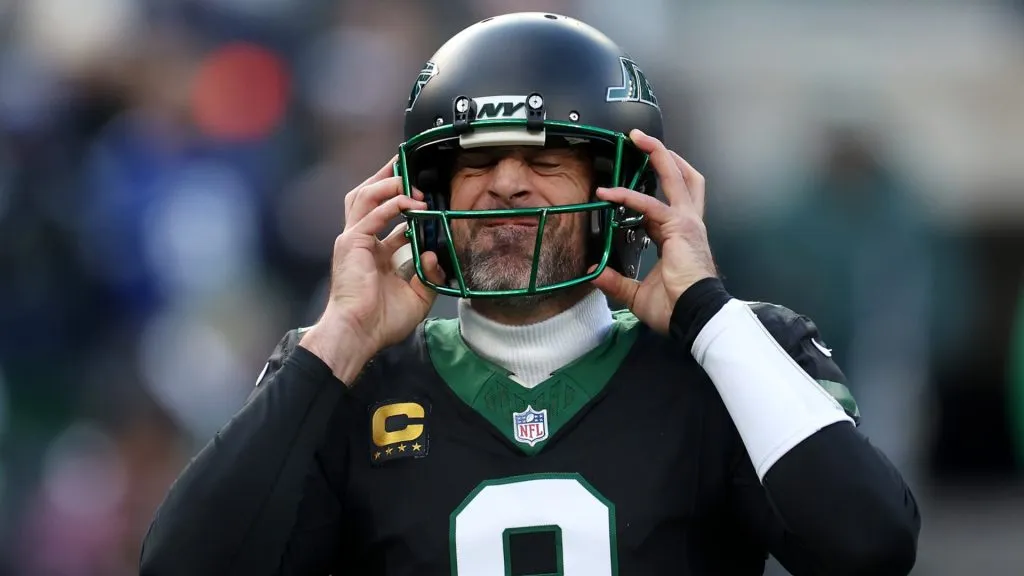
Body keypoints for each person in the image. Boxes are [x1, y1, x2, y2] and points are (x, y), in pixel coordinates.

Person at [139, 12, 920, 576]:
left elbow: (870, 544)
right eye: (473, 164)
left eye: (545, 161)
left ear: (620, 193)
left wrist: (708, 316)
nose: (505, 183)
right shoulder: (347, 381)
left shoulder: (734, 358)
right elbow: (184, 564)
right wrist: (339, 335)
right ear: (427, 193)